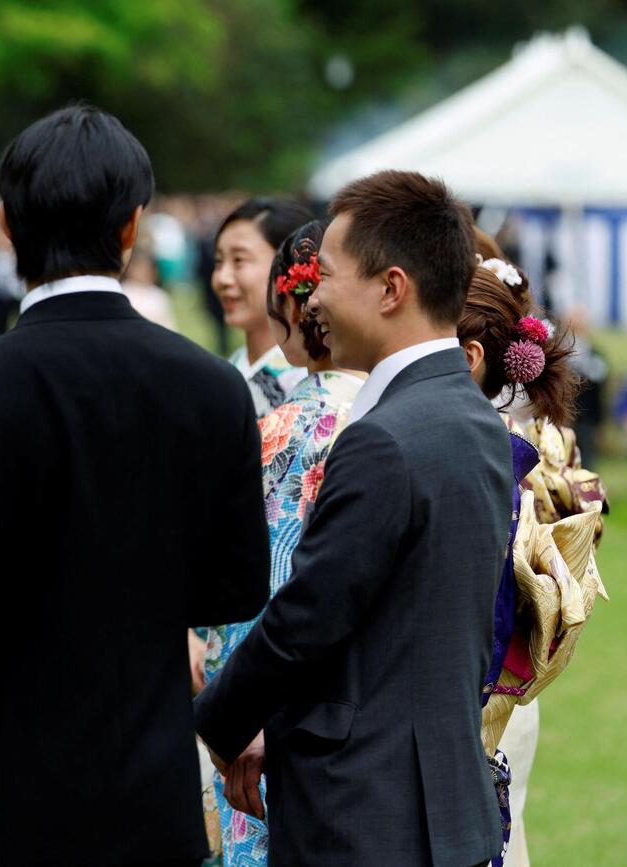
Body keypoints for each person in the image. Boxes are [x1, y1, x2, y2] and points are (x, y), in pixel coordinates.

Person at [0, 105, 270, 867]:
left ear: (3, 225)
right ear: (132, 228)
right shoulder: (208, 386)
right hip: (147, 789)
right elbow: (235, 584)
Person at [195, 170, 510, 866]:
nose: (313, 299)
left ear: (390, 288)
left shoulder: (384, 438)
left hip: (363, 814)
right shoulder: (470, 416)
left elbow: (307, 615)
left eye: (327, 277)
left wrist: (219, 718)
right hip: (440, 806)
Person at [198, 220, 363, 866]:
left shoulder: (280, 429)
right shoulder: (388, 412)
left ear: (293, 308)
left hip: (267, 694)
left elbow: (234, 583)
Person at [458, 251, 608, 867]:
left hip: (487, 679)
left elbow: (585, 515)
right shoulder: (516, 436)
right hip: (503, 677)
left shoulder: (503, 444)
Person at [210, 197, 313, 417]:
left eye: (239, 260)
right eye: (218, 262)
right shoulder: (225, 372)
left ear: (289, 267)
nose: (222, 278)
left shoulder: (308, 381)